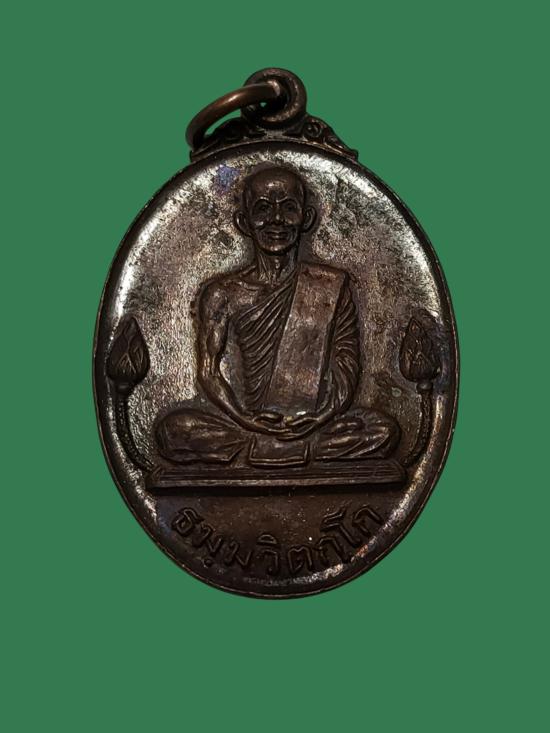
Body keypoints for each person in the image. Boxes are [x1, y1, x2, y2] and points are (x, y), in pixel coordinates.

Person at [155, 165, 399, 466]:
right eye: (262, 209)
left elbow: (346, 364)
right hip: (245, 425)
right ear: (243, 222)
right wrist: (245, 419)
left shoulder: (330, 285)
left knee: (383, 430)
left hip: (314, 425)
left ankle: (272, 449)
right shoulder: (223, 293)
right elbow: (209, 372)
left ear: (306, 219)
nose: (276, 220)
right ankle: (284, 449)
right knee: (173, 430)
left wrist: (322, 416)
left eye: (289, 208)